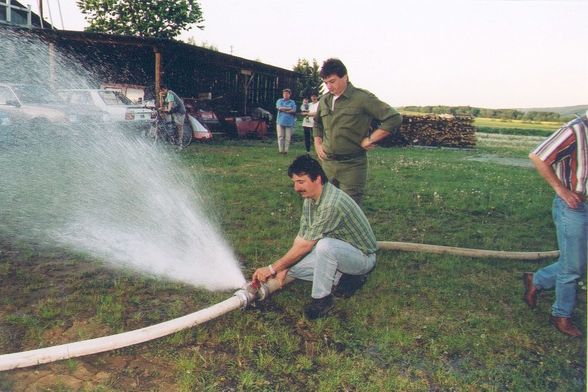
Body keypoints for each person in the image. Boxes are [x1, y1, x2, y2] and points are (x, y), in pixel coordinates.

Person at [252, 155, 378, 319]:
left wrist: (271, 269)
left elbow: (306, 246)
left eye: (301, 182)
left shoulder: (331, 204)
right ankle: (346, 278)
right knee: (294, 267)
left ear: (317, 178)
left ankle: (322, 301)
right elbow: (301, 239)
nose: (296, 188)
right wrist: (282, 269)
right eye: (294, 183)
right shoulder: (310, 199)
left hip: (362, 257)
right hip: (341, 251)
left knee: (324, 246)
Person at [523, 112, 587, 337]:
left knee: (577, 261)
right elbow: (538, 156)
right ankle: (561, 315)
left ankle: (538, 279)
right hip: (575, 207)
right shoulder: (576, 129)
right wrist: (561, 189)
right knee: (573, 268)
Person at [313, 58, 402, 205]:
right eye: (326, 82)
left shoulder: (362, 98)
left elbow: (393, 118)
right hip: (328, 164)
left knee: (348, 211)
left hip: (352, 166)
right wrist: (317, 143)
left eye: (333, 81)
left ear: (345, 77)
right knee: (326, 207)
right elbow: (317, 123)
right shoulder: (324, 100)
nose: (329, 86)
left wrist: (371, 139)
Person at [275, 88, 297, 154]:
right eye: (284, 93)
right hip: (280, 121)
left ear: (290, 94)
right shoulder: (279, 101)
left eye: (287, 93)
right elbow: (279, 108)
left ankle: (286, 151)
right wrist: (288, 108)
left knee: (287, 137)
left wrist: (284, 109)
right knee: (280, 136)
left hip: (289, 122)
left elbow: (293, 110)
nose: (285, 95)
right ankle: (281, 150)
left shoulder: (292, 102)